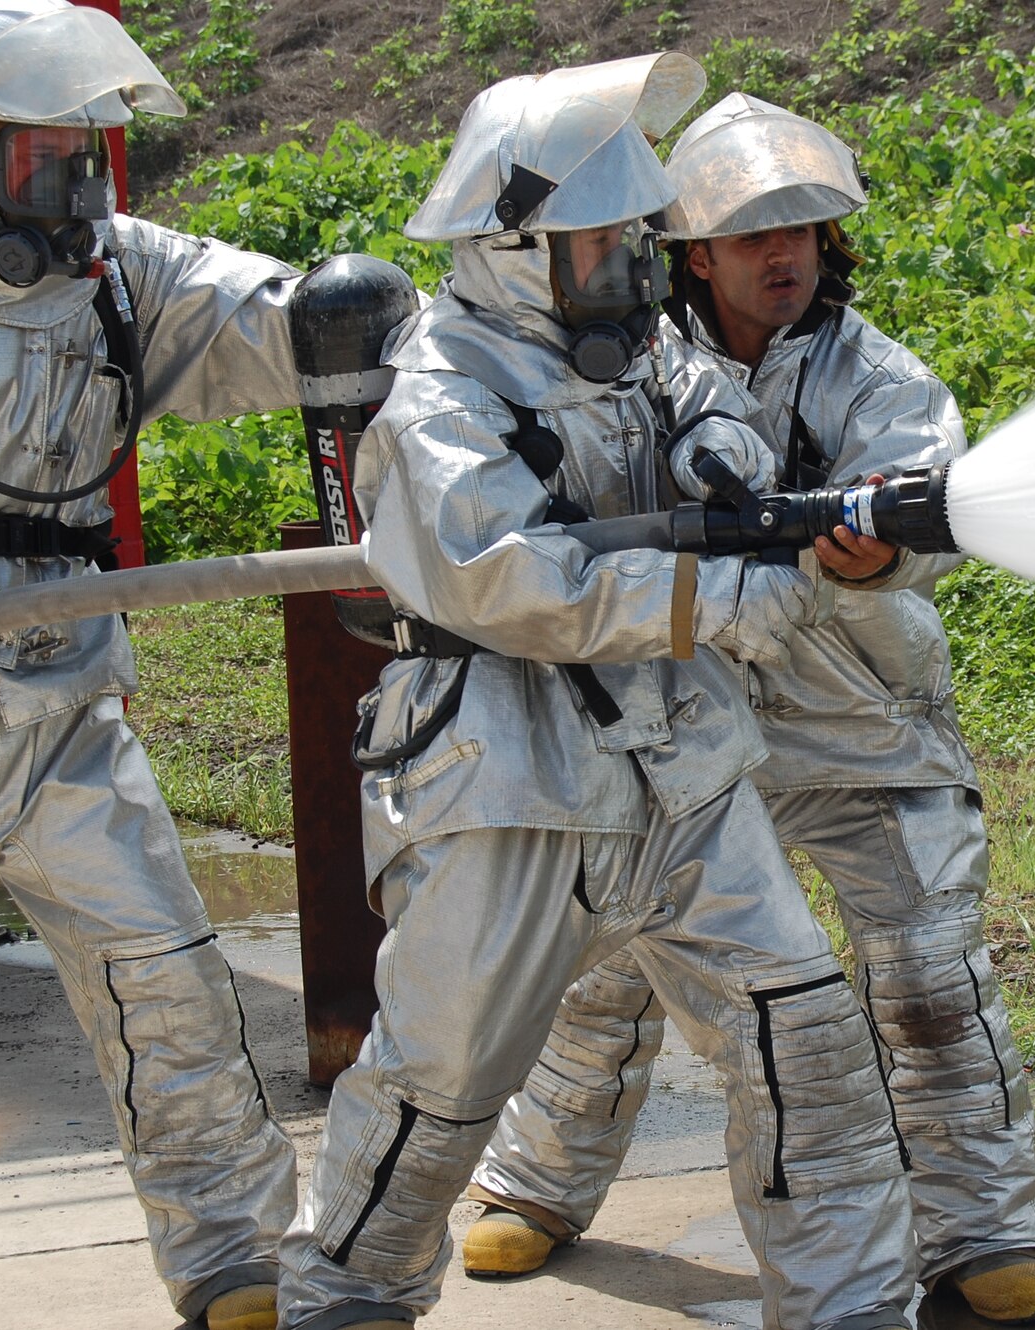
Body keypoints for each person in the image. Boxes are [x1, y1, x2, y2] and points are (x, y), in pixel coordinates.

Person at [273, 56, 916, 1330]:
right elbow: (510, 578)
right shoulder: (443, 395)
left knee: (804, 1046)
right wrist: (716, 602)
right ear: (516, 250)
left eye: (633, 244)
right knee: (434, 1089)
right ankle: (341, 1304)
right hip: (510, 785)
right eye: (602, 248)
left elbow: (700, 409)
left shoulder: (621, 355)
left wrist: (735, 473)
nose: (628, 270)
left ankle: (849, 1309)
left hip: (682, 768)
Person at [458, 94, 1035, 1325]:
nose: (784, 256)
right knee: (612, 963)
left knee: (931, 975)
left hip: (862, 720)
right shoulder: (628, 362)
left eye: (802, 232)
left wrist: (866, 554)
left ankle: (984, 1236)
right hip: (680, 712)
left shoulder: (878, 377)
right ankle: (534, 1186)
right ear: (693, 252)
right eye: (751, 238)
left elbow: (923, 512)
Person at [0, 4, 307, 1326]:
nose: (77, 191)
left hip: (65, 685)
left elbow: (271, 318)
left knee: (169, 979)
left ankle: (237, 1259)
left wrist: (392, 326)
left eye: (91, 158)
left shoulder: (126, 285)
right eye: (46, 159)